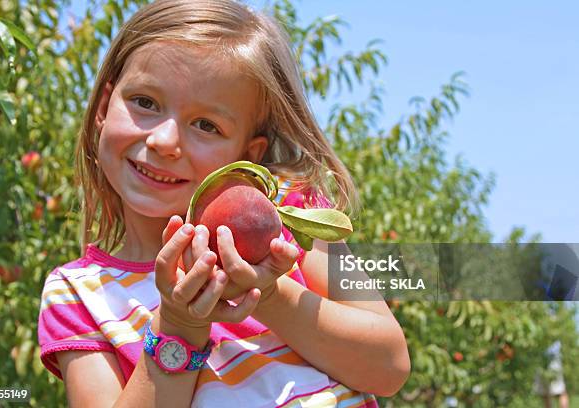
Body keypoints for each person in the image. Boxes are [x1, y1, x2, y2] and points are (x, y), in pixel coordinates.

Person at [37, 1, 410, 406]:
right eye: (144, 102)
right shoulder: (78, 294)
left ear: (246, 154)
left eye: (206, 125)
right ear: (104, 107)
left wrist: (268, 296)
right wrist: (179, 326)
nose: (163, 141)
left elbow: (388, 366)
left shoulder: (288, 217)